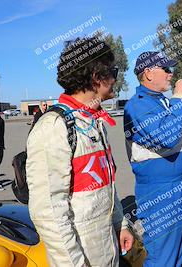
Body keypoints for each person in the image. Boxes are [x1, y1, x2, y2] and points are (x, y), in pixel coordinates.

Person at [26, 35, 133, 267]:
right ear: (96, 78)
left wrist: (120, 224)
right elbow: (49, 213)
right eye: (113, 72)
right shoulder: (54, 127)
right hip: (80, 257)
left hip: (109, 250)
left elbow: (106, 185)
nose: (116, 79)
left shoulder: (93, 121)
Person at [124, 51, 182, 267]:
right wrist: (180, 98)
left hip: (178, 185)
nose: (170, 74)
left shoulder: (162, 102)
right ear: (148, 73)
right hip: (159, 191)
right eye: (165, 69)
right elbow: (166, 137)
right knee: (161, 257)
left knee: (176, 254)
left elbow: (176, 141)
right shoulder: (138, 105)